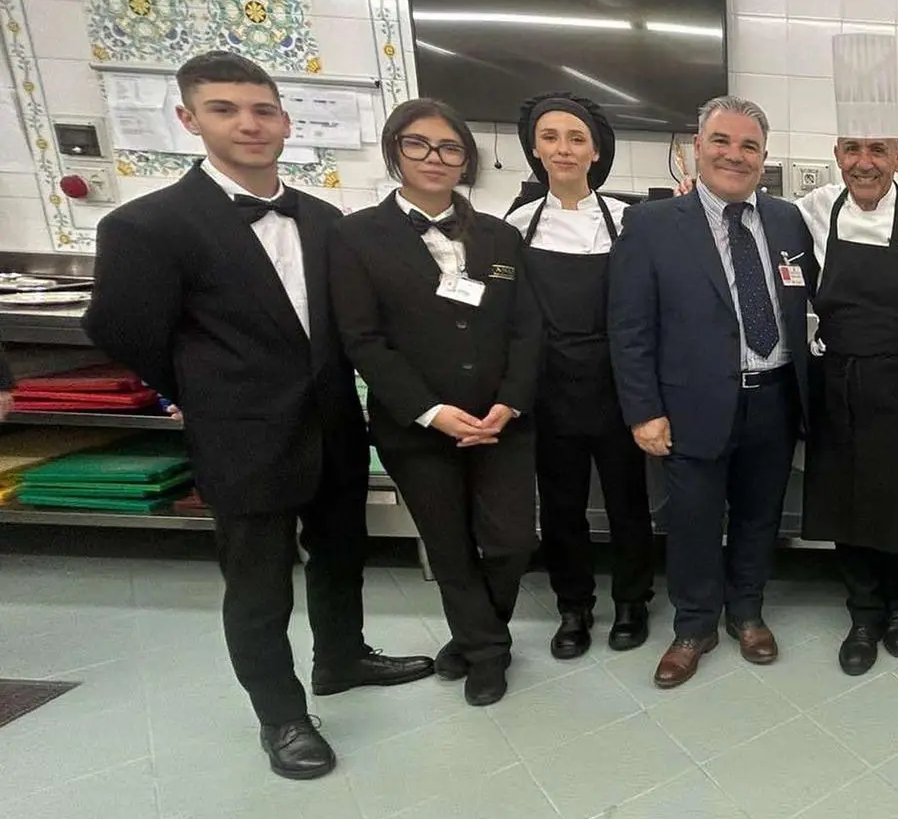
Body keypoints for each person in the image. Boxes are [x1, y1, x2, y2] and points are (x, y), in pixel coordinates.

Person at [85, 51, 432, 780]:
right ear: (189, 119)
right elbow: (121, 328)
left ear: (283, 118)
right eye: (224, 109)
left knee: (342, 553)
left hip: (334, 420)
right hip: (242, 432)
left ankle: (341, 656)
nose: (248, 123)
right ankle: (281, 714)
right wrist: (201, 386)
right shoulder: (148, 225)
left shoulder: (324, 218)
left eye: (262, 109)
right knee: (260, 581)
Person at [329, 100, 542, 707]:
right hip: (418, 427)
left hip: (502, 421)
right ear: (395, 149)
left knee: (511, 543)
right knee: (447, 544)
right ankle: (487, 653)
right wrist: (430, 411)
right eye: (419, 145)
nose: (435, 159)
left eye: (450, 148)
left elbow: (527, 328)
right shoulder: (355, 237)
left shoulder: (500, 235)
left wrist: (510, 402)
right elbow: (362, 338)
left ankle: (478, 634)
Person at [609, 95, 814, 689]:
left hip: (774, 397)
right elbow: (629, 325)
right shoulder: (651, 225)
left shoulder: (785, 221)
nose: (734, 155)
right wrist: (643, 410)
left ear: (764, 157)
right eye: (721, 142)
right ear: (695, 148)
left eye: (749, 146)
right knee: (694, 520)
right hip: (690, 404)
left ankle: (746, 612)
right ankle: (693, 626)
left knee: (759, 516)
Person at [799, 34, 898, 675]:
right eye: (853, 148)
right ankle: (863, 612)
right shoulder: (808, 212)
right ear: (837, 153)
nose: (864, 162)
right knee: (845, 500)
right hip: (836, 378)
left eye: (878, 149)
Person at [504, 92, 653, 661]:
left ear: (595, 151)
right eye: (550, 138)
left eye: (575, 138)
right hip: (549, 388)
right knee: (561, 506)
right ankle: (574, 606)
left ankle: (633, 601)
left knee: (628, 502)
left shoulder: (628, 221)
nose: (562, 149)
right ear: (535, 150)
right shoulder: (516, 226)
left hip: (616, 385)